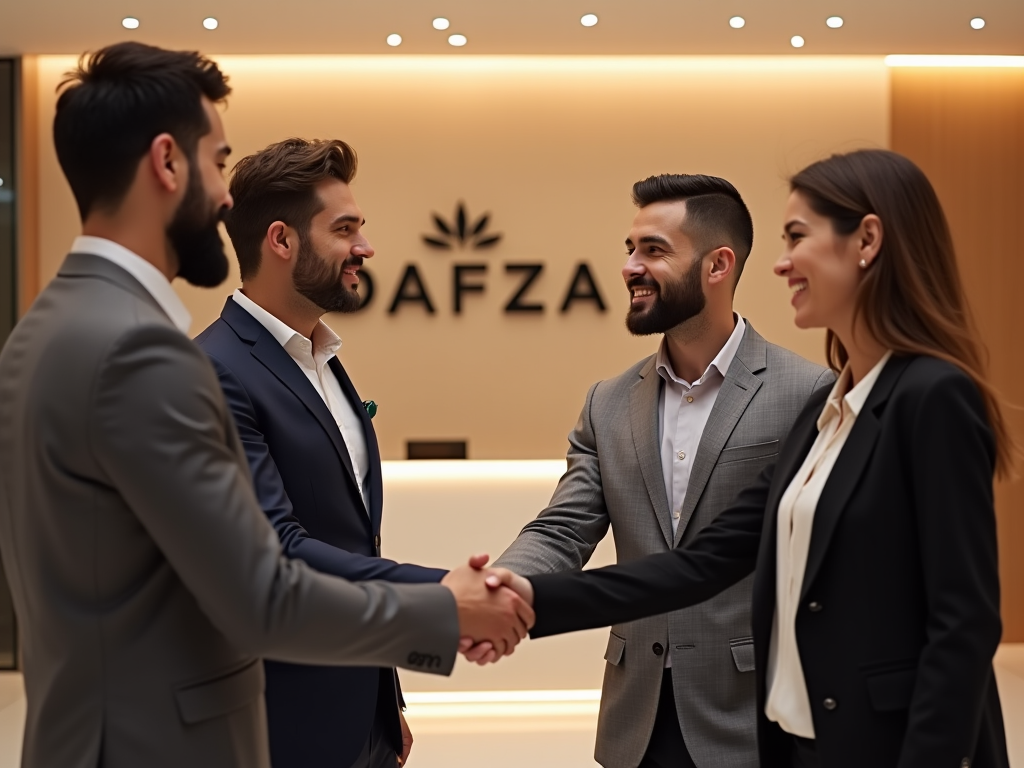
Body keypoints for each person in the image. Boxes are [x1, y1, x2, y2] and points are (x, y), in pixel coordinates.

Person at [0, 42, 531, 768]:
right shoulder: (141, 349)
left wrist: (385, 694)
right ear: (167, 163)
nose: (226, 199)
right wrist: (446, 608)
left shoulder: (46, 327)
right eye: (218, 161)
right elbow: (263, 595)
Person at [508, 149, 1011, 768]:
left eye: (797, 237)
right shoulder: (829, 414)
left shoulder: (928, 396)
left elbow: (961, 627)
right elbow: (700, 565)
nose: (779, 263)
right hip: (797, 743)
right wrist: (517, 600)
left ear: (868, 241)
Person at [493, 173, 832, 768]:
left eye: (654, 250)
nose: (630, 267)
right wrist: (497, 589)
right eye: (629, 249)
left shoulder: (808, 393)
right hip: (636, 721)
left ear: (718, 265)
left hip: (751, 716)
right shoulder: (608, 402)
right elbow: (564, 528)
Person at [194, 138, 444, 768]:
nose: (365, 248)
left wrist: (384, 703)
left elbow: (356, 544)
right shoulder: (214, 370)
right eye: (345, 229)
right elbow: (280, 546)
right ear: (281, 240)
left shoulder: (324, 359)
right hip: (280, 721)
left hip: (362, 712)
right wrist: (446, 595)